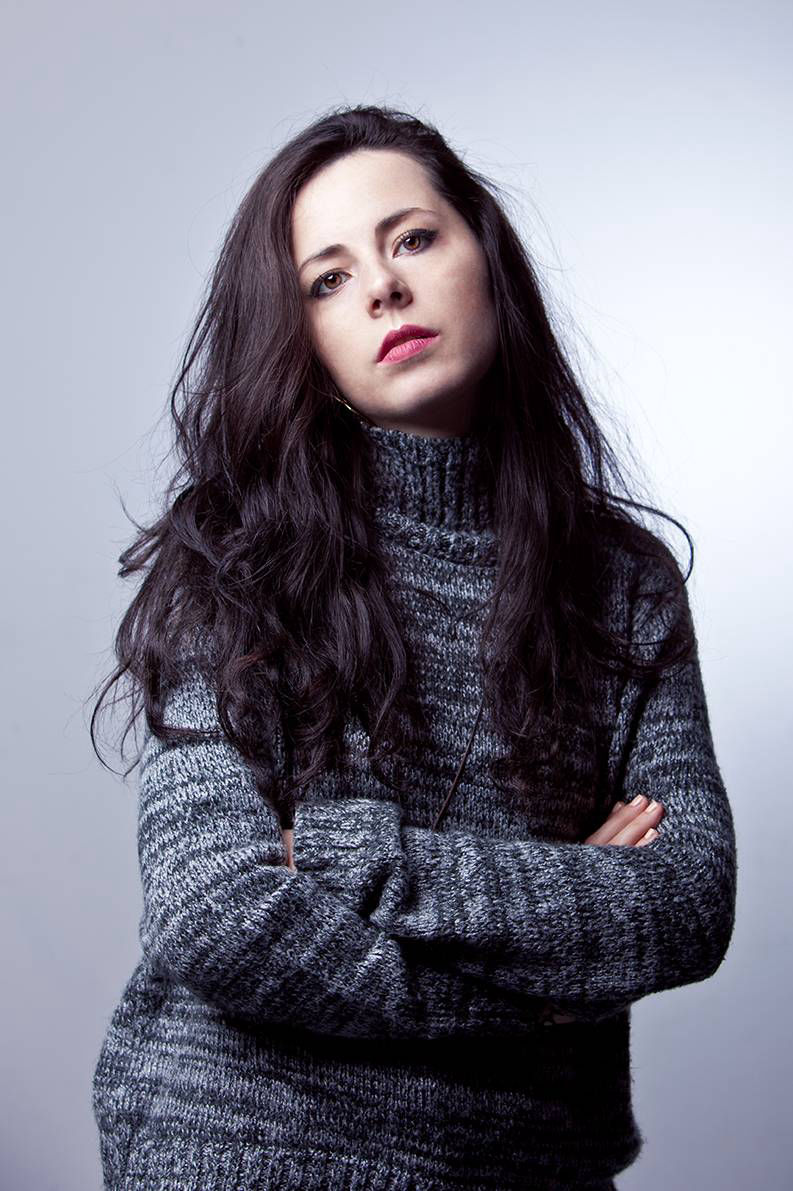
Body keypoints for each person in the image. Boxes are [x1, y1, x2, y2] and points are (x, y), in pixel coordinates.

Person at [89, 103, 737, 1190]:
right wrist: (553, 966)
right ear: (300, 339)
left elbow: (684, 901)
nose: (382, 288)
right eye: (327, 280)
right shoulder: (232, 559)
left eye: (414, 239)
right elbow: (214, 910)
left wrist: (346, 858)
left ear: (486, 256)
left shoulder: (624, 582)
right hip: (245, 1146)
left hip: (531, 1162)